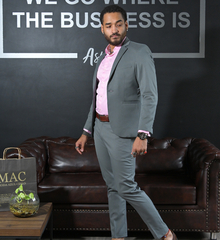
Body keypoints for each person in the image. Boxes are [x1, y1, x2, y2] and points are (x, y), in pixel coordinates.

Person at [75, 5, 177, 240]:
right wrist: (86, 131)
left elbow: (150, 95)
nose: (114, 29)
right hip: (99, 129)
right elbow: (98, 96)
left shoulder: (140, 52)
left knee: (126, 186)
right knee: (112, 187)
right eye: (109, 25)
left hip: (123, 132)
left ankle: (165, 234)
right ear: (102, 29)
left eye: (118, 24)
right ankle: (118, 236)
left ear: (126, 25)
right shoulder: (103, 57)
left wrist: (142, 134)